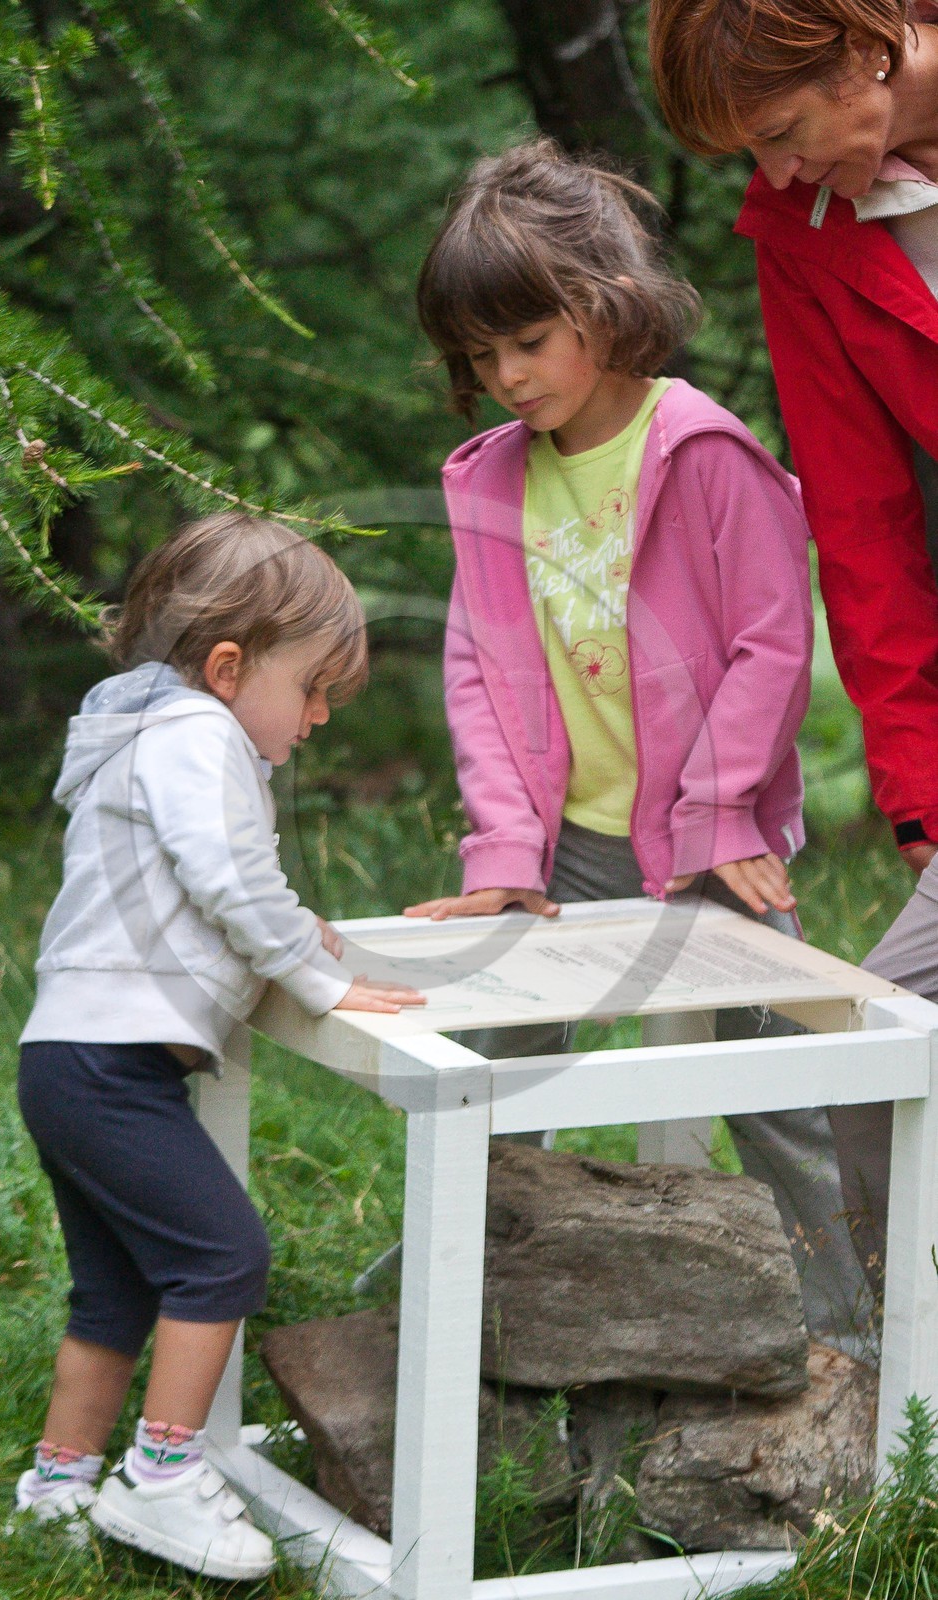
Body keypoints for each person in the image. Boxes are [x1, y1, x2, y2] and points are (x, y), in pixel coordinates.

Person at [407, 138, 873, 1355]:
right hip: (562, 854)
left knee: (777, 1092)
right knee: (485, 1073)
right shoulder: (491, 485)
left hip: (705, 855)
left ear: (606, 310)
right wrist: (503, 845)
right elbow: (480, 671)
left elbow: (771, 647)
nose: (505, 377)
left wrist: (720, 818)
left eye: (527, 342)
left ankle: (860, 1338)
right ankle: (431, 1308)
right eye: (480, 355)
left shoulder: (704, 452)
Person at [12, 512, 424, 1578]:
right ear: (230, 666)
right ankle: (160, 1477)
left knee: (112, 1290)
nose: (321, 716)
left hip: (71, 1058)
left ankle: (57, 1487)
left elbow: (209, 887)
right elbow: (228, 879)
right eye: (312, 687)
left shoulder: (157, 734)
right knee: (222, 1255)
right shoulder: (198, 735)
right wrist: (323, 976)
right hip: (110, 1067)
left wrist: (299, 930)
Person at [647, 0, 938, 1293]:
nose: (770, 173)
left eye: (778, 130)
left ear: (860, 46)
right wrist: (919, 798)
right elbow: (864, 538)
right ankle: (905, 1421)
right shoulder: (800, 239)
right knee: (873, 1057)